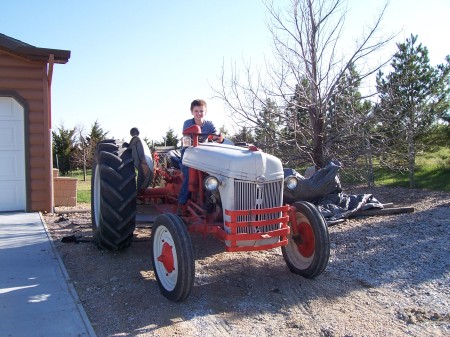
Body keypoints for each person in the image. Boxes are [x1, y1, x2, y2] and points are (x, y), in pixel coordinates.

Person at [178, 99, 223, 212]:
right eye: (196, 111)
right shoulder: (188, 123)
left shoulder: (209, 124)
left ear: (205, 112)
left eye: (201, 111)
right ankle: (182, 202)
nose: (199, 113)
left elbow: (216, 135)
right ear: (192, 112)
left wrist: (220, 137)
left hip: (204, 153)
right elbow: (187, 139)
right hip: (189, 152)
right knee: (188, 175)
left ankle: (215, 201)